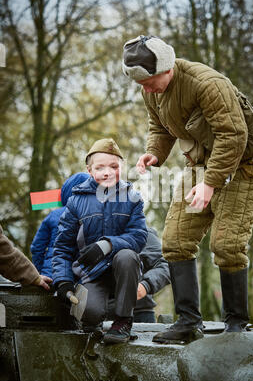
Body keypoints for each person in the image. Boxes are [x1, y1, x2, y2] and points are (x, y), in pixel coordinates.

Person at [122, 35, 253, 343]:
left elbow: (233, 135)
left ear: (166, 67)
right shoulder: (151, 91)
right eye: (142, 84)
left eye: (149, 81)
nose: (146, 89)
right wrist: (155, 152)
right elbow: (159, 127)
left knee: (226, 246)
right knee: (175, 241)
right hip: (198, 168)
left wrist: (210, 184)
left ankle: (236, 323)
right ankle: (188, 322)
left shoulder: (206, 83)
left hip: (240, 166)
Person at [52, 138, 148, 344]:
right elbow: (62, 247)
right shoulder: (76, 201)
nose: (108, 172)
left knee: (127, 256)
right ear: (89, 170)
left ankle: (123, 321)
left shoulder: (133, 198)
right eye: (100, 167)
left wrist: (107, 245)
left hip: (122, 268)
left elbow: (138, 236)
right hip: (91, 272)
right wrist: (63, 280)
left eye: (114, 166)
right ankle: (92, 321)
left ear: (121, 167)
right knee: (88, 313)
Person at [30, 172, 90, 278]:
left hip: (51, 274)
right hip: (82, 277)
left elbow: (37, 248)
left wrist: (41, 271)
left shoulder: (53, 215)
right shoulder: (93, 215)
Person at [108, 226, 170, 323]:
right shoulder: (89, 231)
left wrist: (146, 285)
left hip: (139, 313)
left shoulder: (145, 233)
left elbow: (165, 266)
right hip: (97, 315)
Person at [0, 224, 52, 290]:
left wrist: (35, 274)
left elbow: (37, 248)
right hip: (56, 277)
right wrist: (33, 275)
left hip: (49, 273)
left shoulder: (50, 218)